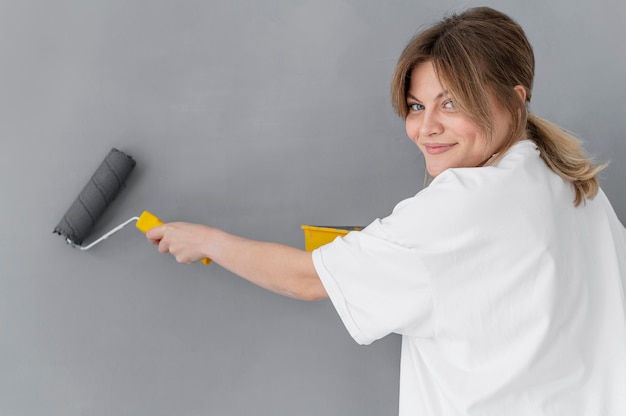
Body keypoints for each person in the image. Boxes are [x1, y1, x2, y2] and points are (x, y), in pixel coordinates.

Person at [146, 7, 626, 416]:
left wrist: (205, 241)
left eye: (452, 103)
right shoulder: (568, 178)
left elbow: (306, 280)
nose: (427, 129)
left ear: (513, 100)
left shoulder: (462, 202)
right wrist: (393, 250)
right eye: (416, 106)